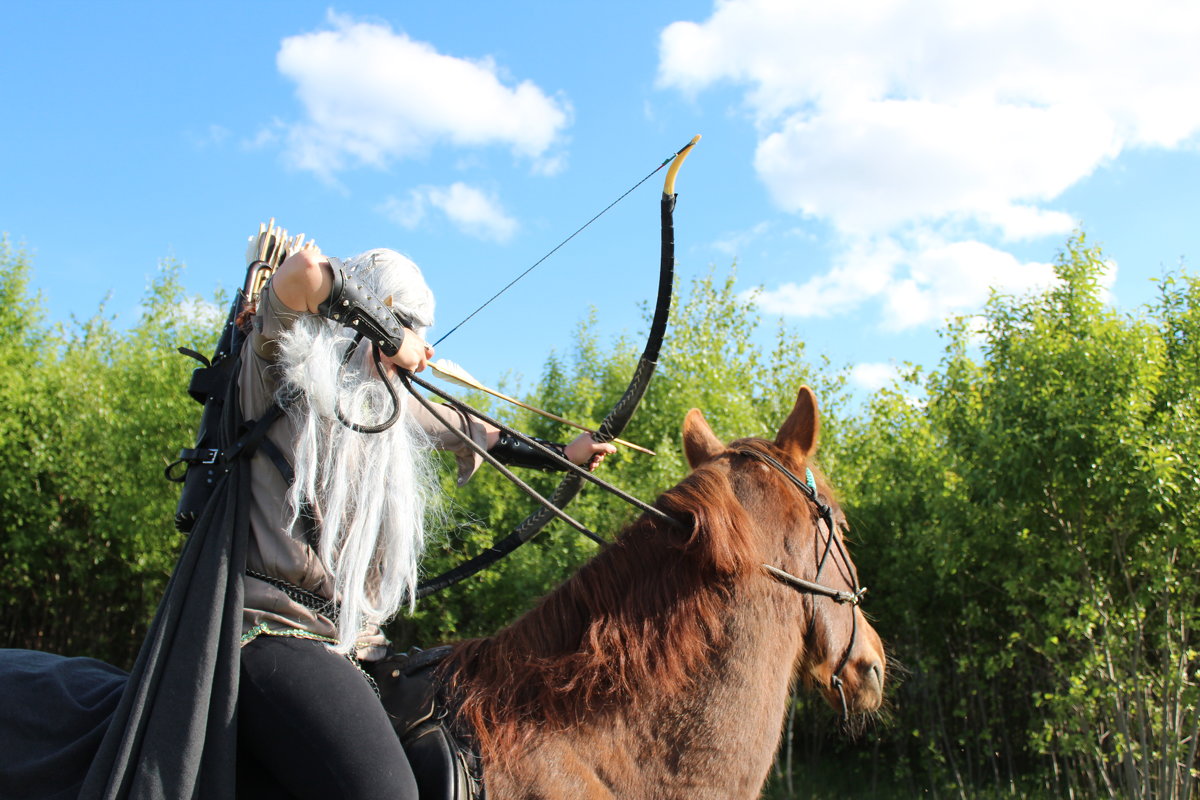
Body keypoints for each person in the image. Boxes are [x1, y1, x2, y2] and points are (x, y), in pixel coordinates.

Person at [234, 246, 615, 798]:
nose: (421, 343)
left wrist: (564, 453)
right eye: (408, 322)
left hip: (354, 645)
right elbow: (305, 274)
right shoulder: (279, 360)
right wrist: (394, 335)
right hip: (274, 630)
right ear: (367, 315)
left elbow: (472, 429)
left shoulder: (377, 401)